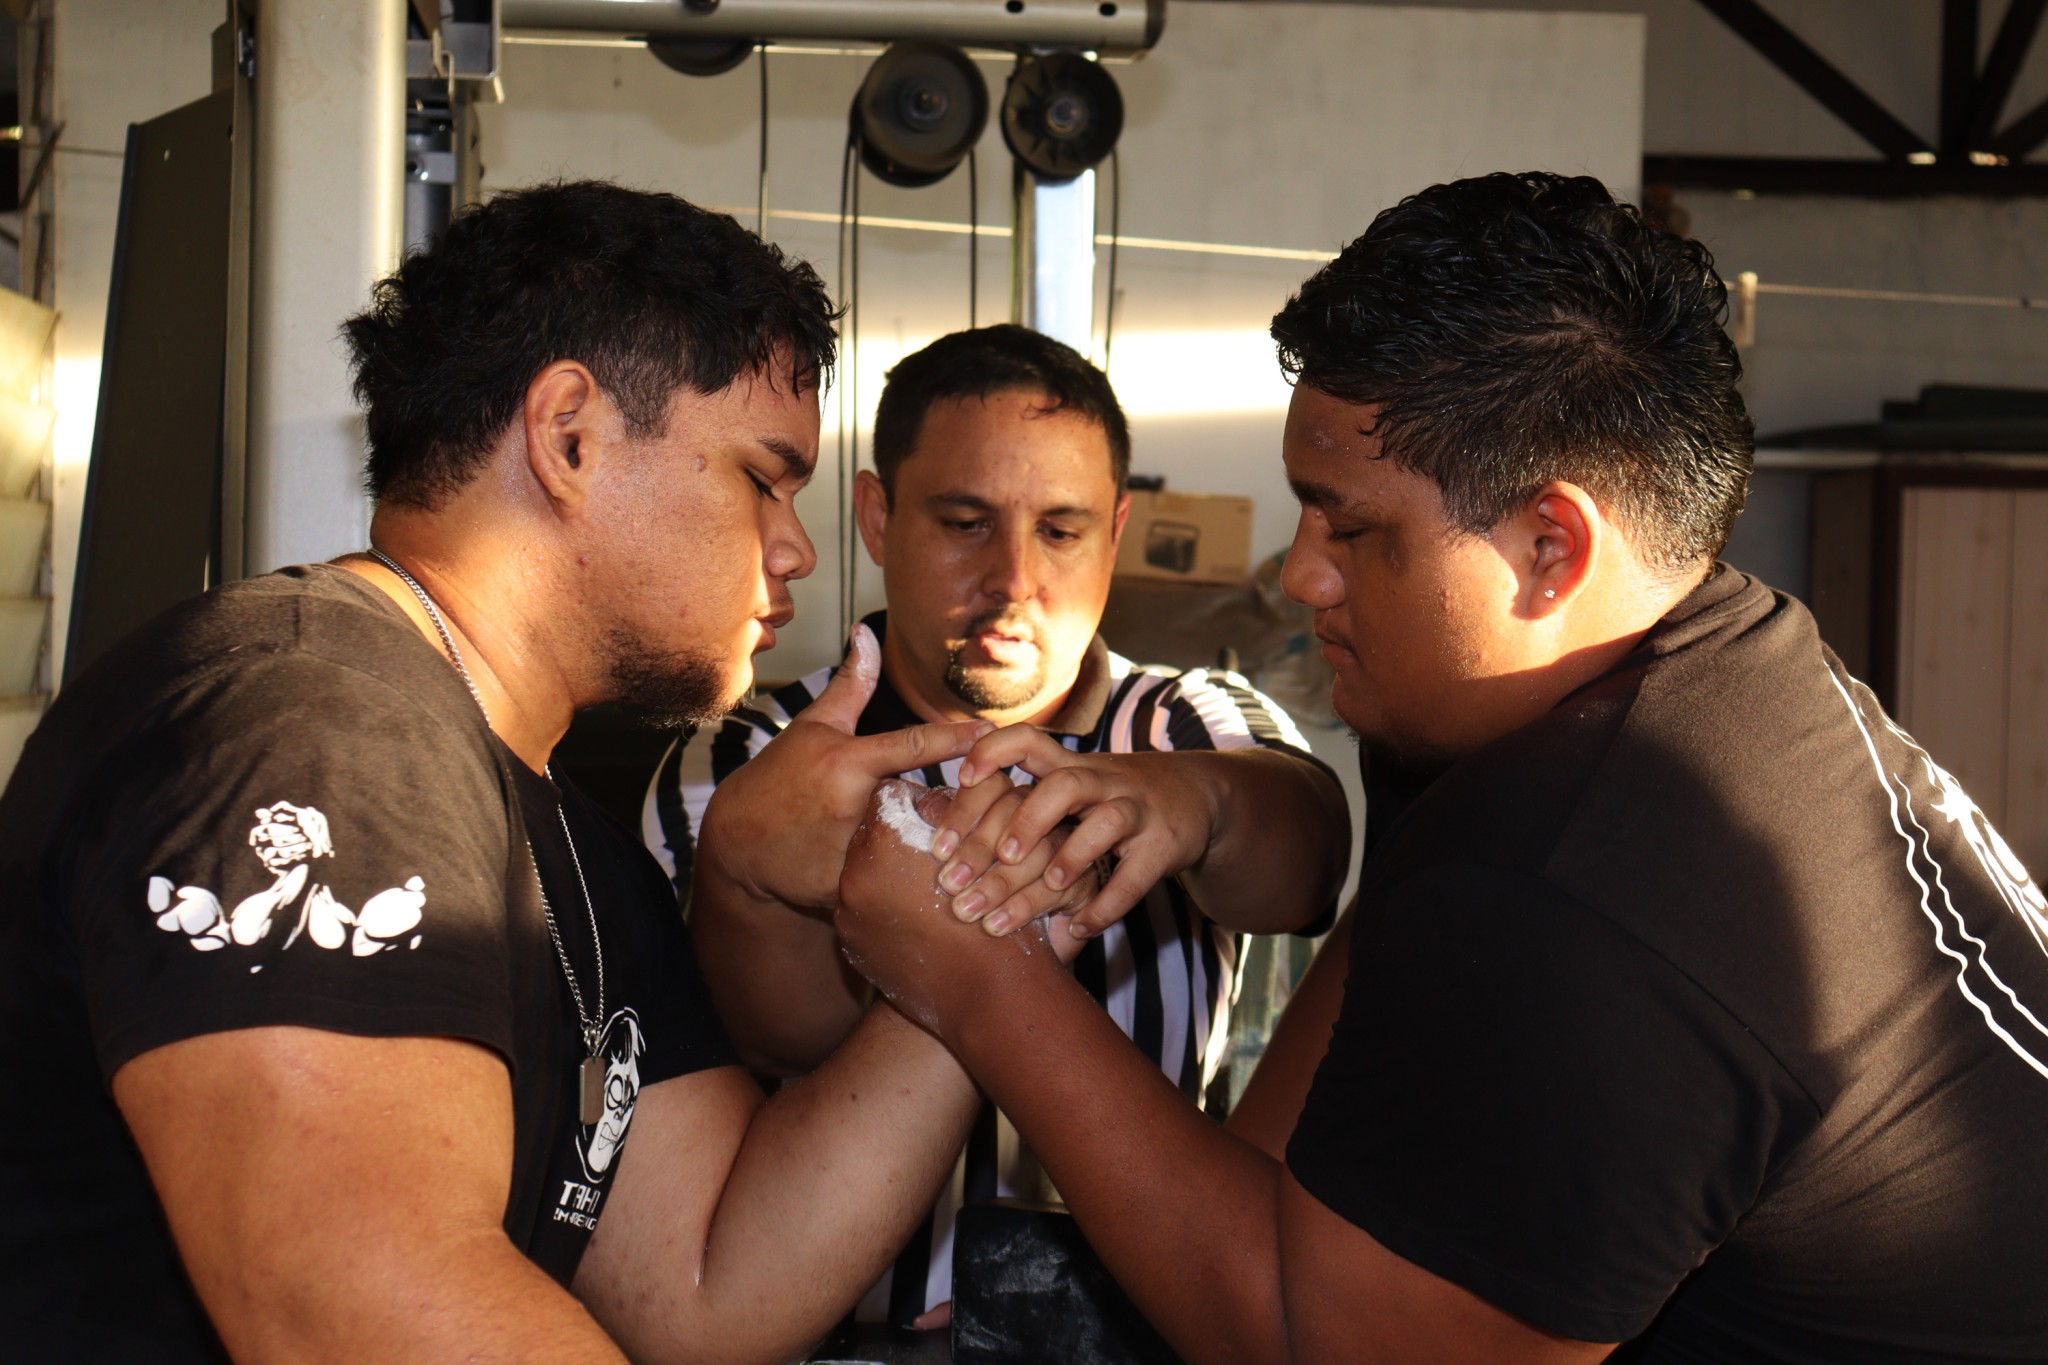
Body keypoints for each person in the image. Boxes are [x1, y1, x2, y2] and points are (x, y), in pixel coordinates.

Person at [832, 172, 2048, 1362]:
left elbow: (1316, 1344)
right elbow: (1310, 1125)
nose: (1303, 574)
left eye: (1350, 528)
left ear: (1548, 546)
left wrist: (984, 985)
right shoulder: (1681, 658)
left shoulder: (1586, 895)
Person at [0, 181, 1093, 1364]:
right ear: (568, 433)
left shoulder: (557, 834)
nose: (795, 545)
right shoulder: (314, 725)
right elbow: (359, 1304)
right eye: (760, 478)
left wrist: (975, 919)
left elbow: (705, 1279)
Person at [648, 323, 1351, 1327]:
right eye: (965, 521)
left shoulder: (1185, 725)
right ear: (876, 517)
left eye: (1060, 530)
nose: (1014, 580)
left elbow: (1307, 867)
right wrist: (753, 880)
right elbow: (774, 1037)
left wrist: (1194, 802)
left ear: (1114, 532)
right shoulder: (752, 754)